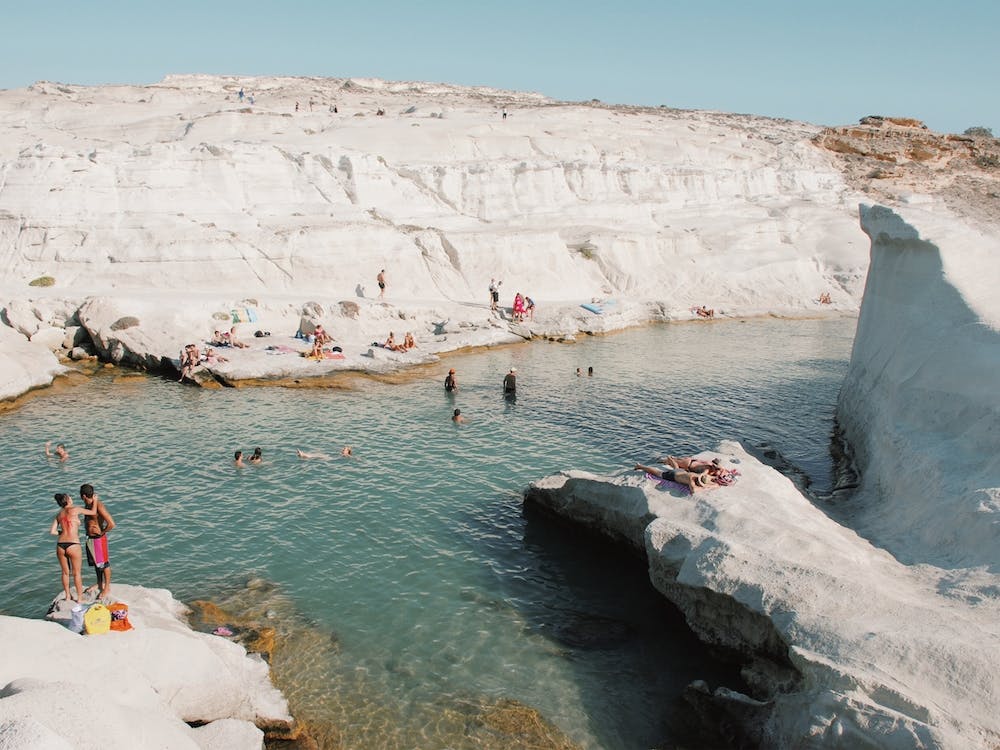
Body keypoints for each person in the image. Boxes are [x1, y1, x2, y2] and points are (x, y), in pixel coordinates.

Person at [50, 493, 98, 603]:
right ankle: (80, 598)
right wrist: (95, 500)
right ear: (67, 500)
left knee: (65, 573)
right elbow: (93, 512)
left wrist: (63, 532)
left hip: (61, 544)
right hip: (73, 544)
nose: (71, 498)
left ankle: (67, 596)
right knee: (77, 573)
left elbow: (52, 531)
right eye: (70, 497)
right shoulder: (75, 509)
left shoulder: (59, 514)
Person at [80, 483, 115, 599]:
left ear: (84, 496)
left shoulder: (98, 505)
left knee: (104, 563)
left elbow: (111, 524)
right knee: (96, 564)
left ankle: (107, 587)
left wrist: (102, 532)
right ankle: (99, 583)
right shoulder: (88, 506)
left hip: (98, 539)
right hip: (90, 539)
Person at [634, 463, 716, 493]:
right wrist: (708, 486)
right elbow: (693, 491)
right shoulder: (691, 480)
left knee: (676, 467)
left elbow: (707, 475)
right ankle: (640, 466)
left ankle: (670, 459)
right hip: (672, 475)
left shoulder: (698, 475)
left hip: (680, 471)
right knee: (656, 473)